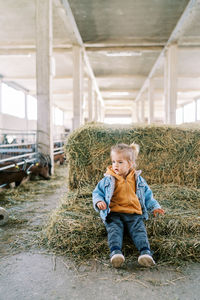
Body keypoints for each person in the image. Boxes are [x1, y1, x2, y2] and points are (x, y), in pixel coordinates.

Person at [92, 142, 164, 268]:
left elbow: (148, 196)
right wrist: (99, 202)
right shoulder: (108, 179)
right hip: (114, 213)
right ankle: (116, 253)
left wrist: (155, 206)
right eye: (114, 161)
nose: (115, 165)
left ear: (130, 164)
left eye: (120, 162)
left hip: (133, 212)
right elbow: (97, 193)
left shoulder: (138, 180)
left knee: (139, 230)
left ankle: (145, 253)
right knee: (114, 229)